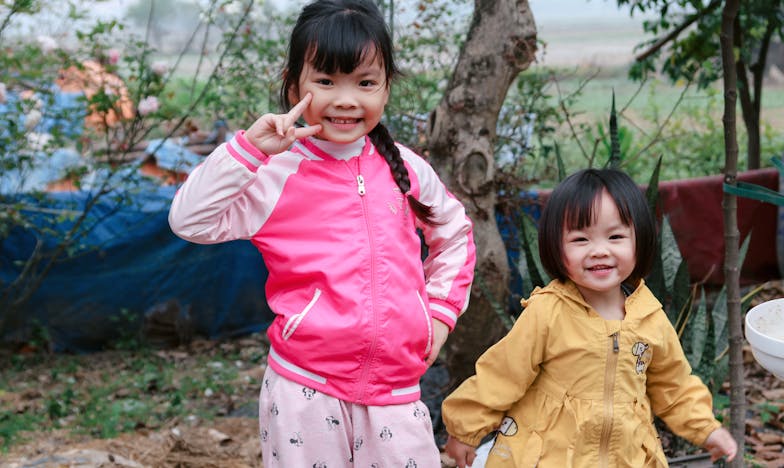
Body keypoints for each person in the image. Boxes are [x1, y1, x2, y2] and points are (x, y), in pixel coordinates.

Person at [168, 0, 476, 466]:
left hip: (395, 390)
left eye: (365, 82)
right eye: (327, 81)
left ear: (387, 87)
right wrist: (250, 149)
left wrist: (439, 311)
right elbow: (189, 221)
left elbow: (454, 232)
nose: (346, 99)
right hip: (304, 391)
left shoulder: (406, 169)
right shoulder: (273, 174)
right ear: (295, 85)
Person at [441, 168, 737, 467]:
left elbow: (674, 385)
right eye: (581, 239)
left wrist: (706, 429)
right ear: (557, 246)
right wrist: (464, 429)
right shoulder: (548, 312)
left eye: (616, 236)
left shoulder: (650, 317)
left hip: (625, 457)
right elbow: (502, 375)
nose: (599, 251)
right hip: (550, 456)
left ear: (640, 240)